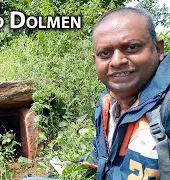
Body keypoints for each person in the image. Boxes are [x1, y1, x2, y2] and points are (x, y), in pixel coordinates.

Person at [24, 6, 170, 180]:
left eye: (132, 47)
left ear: (158, 49)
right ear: (95, 60)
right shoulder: (108, 102)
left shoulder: (165, 106)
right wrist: (78, 165)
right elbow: (104, 157)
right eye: (105, 53)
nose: (117, 61)